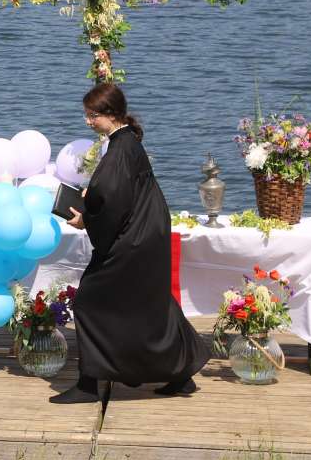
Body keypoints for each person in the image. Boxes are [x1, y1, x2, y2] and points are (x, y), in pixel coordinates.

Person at [56, 84, 209, 403]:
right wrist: (92, 200)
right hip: (146, 234)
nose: (88, 122)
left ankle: (88, 385)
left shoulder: (120, 149)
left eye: (92, 116)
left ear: (111, 114)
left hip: (132, 239)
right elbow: (115, 194)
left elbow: (112, 203)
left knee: (88, 302)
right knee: (151, 304)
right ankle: (182, 371)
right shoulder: (126, 144)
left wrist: (85, 219)